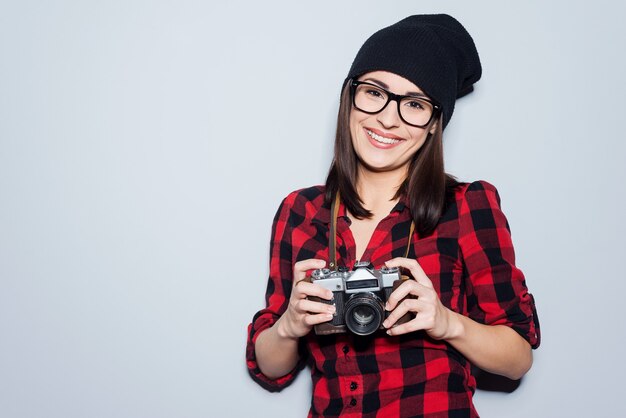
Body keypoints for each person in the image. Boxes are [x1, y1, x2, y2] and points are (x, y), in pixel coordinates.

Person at [246, 14, 540, 418]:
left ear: (435, 124)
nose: (388, 118)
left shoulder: (467, 205)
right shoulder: (301, 212)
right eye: (374, 92)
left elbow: (518, 358)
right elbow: (270, 366)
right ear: (350, 97)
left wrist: (445, 321)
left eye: (415, 104)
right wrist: (289, 324)